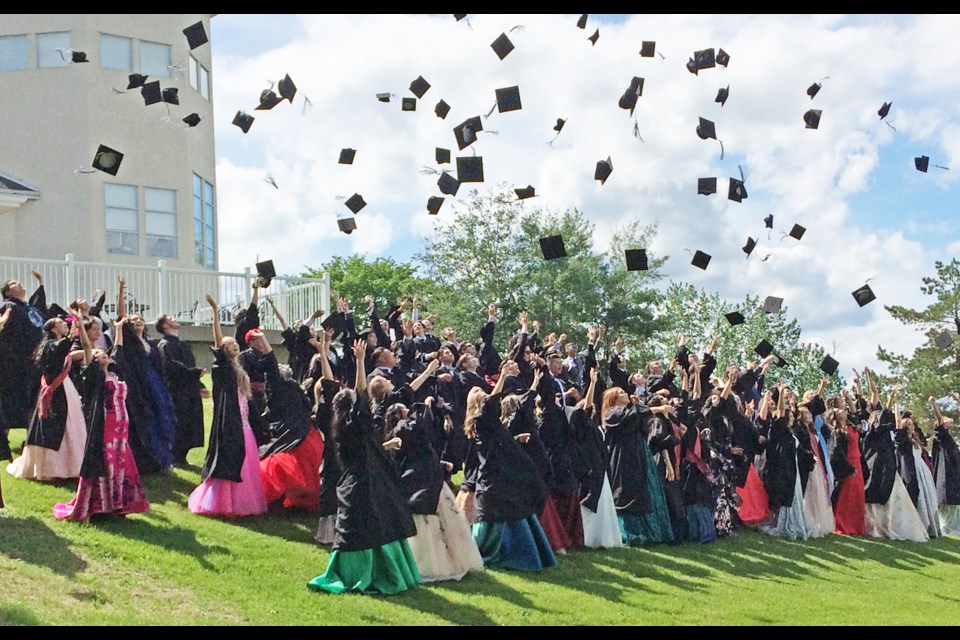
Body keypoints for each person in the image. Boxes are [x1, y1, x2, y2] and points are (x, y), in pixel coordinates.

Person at [308, 339, 420, 595]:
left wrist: (324, 354)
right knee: (375, 526)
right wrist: (359, 361)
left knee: (357, 529)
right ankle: (373, 573)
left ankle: (352, 571)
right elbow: (359, 393)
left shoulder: (335, 425)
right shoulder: (359, 426)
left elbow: (328, 386)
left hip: (355, 483)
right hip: (368, 483)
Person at [53, 316, 149, 521]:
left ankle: (119, 504)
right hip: (105, 426)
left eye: (103, 353)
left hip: (121, 428)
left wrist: (118, 329)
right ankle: (101, 505)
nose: (102, 354)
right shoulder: (94, 377)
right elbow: (88, 349)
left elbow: (118, 350)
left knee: (122, 463)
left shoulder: (115, 374)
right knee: (106, 463)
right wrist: (79, 325)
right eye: (98, 354)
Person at [465, 365, 556, 571]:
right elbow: (490, 405)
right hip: (494, 477)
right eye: (481, 394)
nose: (486, 395)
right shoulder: (481, 420)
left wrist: (534, 384)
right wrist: (503, 376)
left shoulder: (492, 423)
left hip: (505, 474)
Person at [385, 396, 483, 582]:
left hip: (426, 478)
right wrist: (425, 405)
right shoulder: (404, 428)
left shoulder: (406, 431)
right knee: (427, 521)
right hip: (420, 481)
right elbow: (417, 428)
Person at [188, 294, 267, 518]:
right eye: (230, 345)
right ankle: (223, 503)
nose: (234, 346)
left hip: (243, 421)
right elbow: (217, 341)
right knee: (231, 457)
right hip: (229, 421)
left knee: (247, 459)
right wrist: (215, 312)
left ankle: (242, 502)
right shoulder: (222, 367)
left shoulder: (239, 367)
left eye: (235, 344)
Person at [6, 315, 86, 481]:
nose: (64, 325)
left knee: (72, 425)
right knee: (55, 426)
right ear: (54, 329)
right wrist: (71, 336)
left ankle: (72, 466)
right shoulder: (50, 345)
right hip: (56, 391)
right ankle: (53, 469)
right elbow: (58, 351)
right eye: (61, 324)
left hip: (65, 388)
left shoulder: (56, 344)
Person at [112, 277, 177, 473]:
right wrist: (122, 291)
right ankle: (152, 457)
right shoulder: (131, 341)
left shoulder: (150, 341)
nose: (138, 322)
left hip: (155, 381)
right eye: (134, 320)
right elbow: (121, 316)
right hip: (140, 382)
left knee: (164, 414)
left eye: (140, 319)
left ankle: (165, 457)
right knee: (147, 416)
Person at [601, 383, 675, 546]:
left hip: (637, 456)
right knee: (625, 492)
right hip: (622, 458)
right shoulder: (611, 413)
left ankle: (643, 533)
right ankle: (627, 534)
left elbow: (642, 424)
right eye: (620, 392)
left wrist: (638, 406)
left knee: (639, 492)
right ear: (613, 399)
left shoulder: (630, 411)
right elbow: (632, 415)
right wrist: (655, 409)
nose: (625, 393)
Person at [860, 369, 927, 542]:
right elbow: (876, 398)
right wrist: (889, 397)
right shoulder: (872, 435)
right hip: (876, 470)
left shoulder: (885, 435)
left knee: (893, 500)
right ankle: (877, 527)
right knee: (876, 500)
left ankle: (892, 527)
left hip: (888, 470)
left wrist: (891, 398)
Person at [0, 270, 46, 461]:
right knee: (12, 401)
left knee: (32, 401)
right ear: (8, 292)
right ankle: (5, 440)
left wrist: (41, 283)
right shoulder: (8, 306)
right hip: (16, 365)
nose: (20, 284)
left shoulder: (28, 308)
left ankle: (30, 440)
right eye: (14, 283)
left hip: (33, 364)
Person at [156, 314, 205, 465]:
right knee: (180, 422)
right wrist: (194, 372)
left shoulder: (183, 343)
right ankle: (175, 456)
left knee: (191, 421)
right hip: (177, 390)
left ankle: (183, 455)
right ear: (164, 326)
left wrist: (199, 385)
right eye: (169, 318)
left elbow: (189, 363)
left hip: (190, 388)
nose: (174, 318)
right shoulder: (165, 345)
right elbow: (172, 367)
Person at [828, 391, 866, 536]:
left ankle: (857, 527)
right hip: (848, 462)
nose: (843, 411)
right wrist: (848, 468)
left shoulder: (851, 425)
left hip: (858, 460)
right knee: (847, 495)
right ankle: (843, 524)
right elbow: (837, 451)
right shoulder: (839, 431)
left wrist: (849, 399)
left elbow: (856, 414)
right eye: (840, 411)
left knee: (858, 495)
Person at [931, 394, 960, 536]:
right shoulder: (941, 437)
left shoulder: (949, 438)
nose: (949, 419)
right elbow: (939, 419)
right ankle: (945, 529)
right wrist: (934, 404)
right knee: (946, 501)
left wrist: (958, 401)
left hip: (954, 473)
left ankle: (953, 528)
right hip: (946, 474)